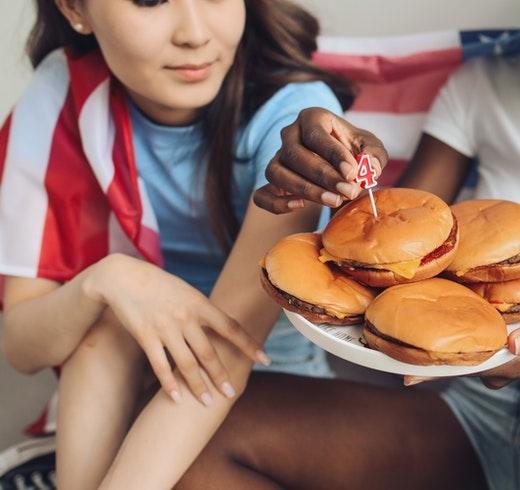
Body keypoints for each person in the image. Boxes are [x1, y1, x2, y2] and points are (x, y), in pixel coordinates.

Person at [175, 0, 520, 489]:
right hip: (469, 415)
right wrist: (334, 166)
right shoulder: (484, 86)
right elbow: (390, 254)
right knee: (199, 438)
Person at [0, 0, 353, 488]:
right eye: (149, 0)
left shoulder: (292, 125)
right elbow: (20, 345)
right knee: (105, 321)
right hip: (123, 376)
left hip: (263, 385)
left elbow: (226, 353)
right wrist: (108, 280)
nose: (194, 33)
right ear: (76, 9)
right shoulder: (64, 95)